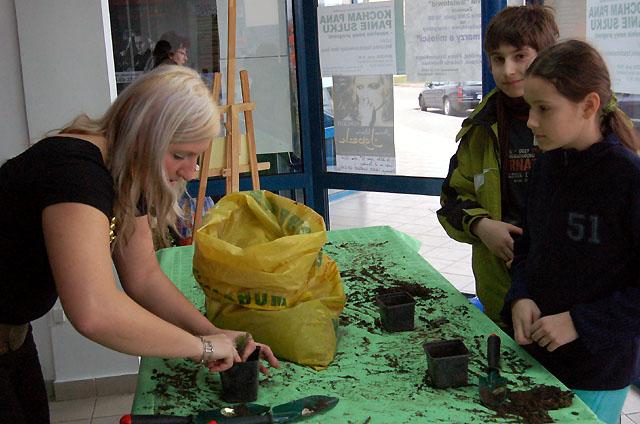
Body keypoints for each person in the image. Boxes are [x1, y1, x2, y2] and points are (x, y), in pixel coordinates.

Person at [0, 66, 279, 423]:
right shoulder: (75, 172)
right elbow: (94, 311)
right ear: (143, 137)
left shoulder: (125, 170)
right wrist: (202, 347)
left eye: (196, 157)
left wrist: (211, 331)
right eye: (179, 155)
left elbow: (143, 274)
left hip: (14, 336)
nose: (190, 172)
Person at [504, 39, 640, 424]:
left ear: (589, 106)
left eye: (544, 109)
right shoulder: (546, 167)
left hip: (597, 371)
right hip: (537, 357)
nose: (531, 121)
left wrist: (580, 322)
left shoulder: (626, 179)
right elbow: (527, 249)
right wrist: (521, 296)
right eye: (529, 107)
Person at [437, 5, 559, 326]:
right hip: (500, 293)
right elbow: (451, 199)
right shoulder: (481, 126)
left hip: (566, 302)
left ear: (546, 55)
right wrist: (482, 226)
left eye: (520, 56)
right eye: (498, 58)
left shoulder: (581, 124)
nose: (508, 71)